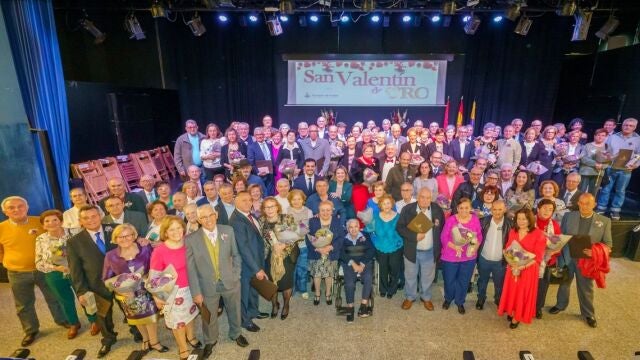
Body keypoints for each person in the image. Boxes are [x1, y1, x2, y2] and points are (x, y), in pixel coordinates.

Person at [0, 199, 68, 347]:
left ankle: (63, 320)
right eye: (11, 208)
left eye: (20, 206)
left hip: (44, 270)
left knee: (54, 297)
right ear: (5, 212)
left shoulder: (41, 221)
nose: (16, 210)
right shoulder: (1, 228)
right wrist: (9, 261)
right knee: (23, 304)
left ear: (27, 207)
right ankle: (31, 331)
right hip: (17, 273)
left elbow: (55, 238)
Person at [186, 205, 248, 358]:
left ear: (216, 215)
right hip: (206, 286)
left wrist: (236, 275)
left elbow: (236, 255)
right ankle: (210, 340)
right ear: (199, 220)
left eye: (210, 215)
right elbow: (191, 268)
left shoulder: (228, 231)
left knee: (234, 309)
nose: (208, 220)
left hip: (230, 281)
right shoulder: (191, 239)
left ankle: (236, 333)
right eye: (204, 217)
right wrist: (196, 292)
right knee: (209, 316)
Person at [549, 193, 612, 328]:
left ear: (594, 205)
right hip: (567, 257)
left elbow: (608, 244)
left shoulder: (604, 221)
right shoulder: (568, 216)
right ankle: (560, 305)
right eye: (581, 203)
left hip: (587, 262)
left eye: (587, 204)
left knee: (586, 288)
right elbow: (562, 236)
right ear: (578, 203)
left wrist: (594, 251)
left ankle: (588, 314)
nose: (583, 206)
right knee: (564, 284)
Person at [102, 224, 166, 353]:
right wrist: (120, 290)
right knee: (137, 319)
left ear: (134, 236)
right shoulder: (110, 256)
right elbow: (106, 279)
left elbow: (157, 264)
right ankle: (145, 339)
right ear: (115, 239)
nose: (124, 239)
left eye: (128, 235)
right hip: (127, 294)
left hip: (147, 290)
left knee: (151, 317)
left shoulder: (145, 248)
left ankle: (154, 342)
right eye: (120, 236)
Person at [66, 205, 118, 357]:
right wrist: (81, 291)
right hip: (95, 284)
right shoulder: (74, 242)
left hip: (121, 280)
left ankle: (138, 333)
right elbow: (75, 269)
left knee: (130, 309)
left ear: (100, 216)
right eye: (86, 218)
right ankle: (108, 339)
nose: (91, 220)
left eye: (94, 216)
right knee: (103, 315)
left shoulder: (115, 229)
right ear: (80, 221)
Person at [149, 216, 200, 360]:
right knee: (178, 322)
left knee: (190, 315)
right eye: (171, 229)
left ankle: (191, 337)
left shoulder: (189, 242)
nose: (176, 231)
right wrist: (156, 296)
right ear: (165, 232)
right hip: (173, 293)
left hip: (192, 288)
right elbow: (154, 277)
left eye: (179, 227)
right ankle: (183, 348)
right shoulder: (160, 251)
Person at [35, 210, 82, 339]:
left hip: (77, 271)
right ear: (43, 225)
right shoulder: (41, 239)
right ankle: (74, 323)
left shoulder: (74, 233)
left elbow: (84, 251)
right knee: (64, 299)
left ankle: (94, 320)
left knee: (84, 295)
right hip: (55, 274)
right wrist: (56, 268)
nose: (51, 223)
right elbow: (38, 262)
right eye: (47, 221)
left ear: (61, 221)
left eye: (55, 220)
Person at [498, 208, 546, 329]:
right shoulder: (513, 231)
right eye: (518, 218)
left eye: (524, 219)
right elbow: (509, 247)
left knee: (521, 293)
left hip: (528, 269)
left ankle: (517, 316)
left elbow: (538, 257)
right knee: (512, 290)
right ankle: (511, 310)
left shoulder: (538, 234)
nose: (521, 221)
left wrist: (523, 266)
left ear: (530, 219)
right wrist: (508, 257)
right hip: (513, 266)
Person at [397, 188, 444, 311]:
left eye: (428, 198)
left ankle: (426, 298)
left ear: (431, 198)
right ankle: (410, 297)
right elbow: (400, 228)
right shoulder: (408, 209)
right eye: (422, 197)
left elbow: (442, 227)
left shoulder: (437, 209)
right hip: (412, 251)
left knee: (427, 277)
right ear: (417, 197)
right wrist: (414, 236)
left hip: (430, 251)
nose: (425, 200)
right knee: (410, 276)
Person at [229, 192, 269, 332]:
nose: (248, 203)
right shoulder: (236, 221)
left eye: (250, 200)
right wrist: (257, 269)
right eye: (244, 200)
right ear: (236, 202)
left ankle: (253, 312)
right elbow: (243, 247)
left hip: (255, 260)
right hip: (246, 265)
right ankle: (245, 321)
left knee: (254, 289)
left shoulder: (250, 215)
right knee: (244, 294)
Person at [440, 198, 483, 314]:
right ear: (457, 208)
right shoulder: (451, 220)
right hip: (450, 255)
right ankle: (448, 299)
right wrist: (455, 247)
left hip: (468, 257)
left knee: (463, 280)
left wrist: (474, 248)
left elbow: (478, 236)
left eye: (467, 208)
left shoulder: (474, 220)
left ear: (470, 208)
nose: (464, 210)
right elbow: (443, 237)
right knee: (449, 280)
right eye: (461, 208)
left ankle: (460, 301)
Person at [259, 198, 300, 320]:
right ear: (263, 209)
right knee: (272, 282)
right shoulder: (261, 221)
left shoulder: (287, 218)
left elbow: (297, 234)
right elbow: (260, 239)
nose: (270, 209)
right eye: (267, 207)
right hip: (270, 255)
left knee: (286, 282)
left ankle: (286, 305)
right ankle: (274, 305)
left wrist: (284, 245)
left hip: (286, 254)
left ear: (277, 207)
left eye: (272, 206)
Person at [596, 118, 640, 220]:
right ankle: (601, 208)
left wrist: (635, 165)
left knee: (620, 191)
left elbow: (639, 155)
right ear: (622, 125)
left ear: (635, 127)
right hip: (611, 168)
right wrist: (606, 155)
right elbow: (605, 149)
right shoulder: (612, 137)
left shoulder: (638, 139)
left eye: (630, 125)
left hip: (626, 170)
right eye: (625, 125)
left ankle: (615, 210)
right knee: (606, 189)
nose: (627, 127)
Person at [476, 200, 511, 310]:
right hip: (484, 258)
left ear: (505, 209)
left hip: (500, 260)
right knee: (482, 281)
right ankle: (481, 298)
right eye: (494, 209)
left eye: (500, 209)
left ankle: (498, 299)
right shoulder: (483, 221)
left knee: (499, 283)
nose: (497, 212)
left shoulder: (510, 224)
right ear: (491, 210)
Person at [307, 201, 344, 306]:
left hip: (331, 253)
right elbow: (308, 237)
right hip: (316, 252)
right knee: (317, 275)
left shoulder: (337, 221)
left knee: (329, 275)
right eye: (322, 210)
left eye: (328, 210)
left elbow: (341, 237)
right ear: (319, 211)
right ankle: (317, 293)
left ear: (332, 211)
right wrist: (318, 249)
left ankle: (328, 293)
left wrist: (330, 247)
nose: (325, 212)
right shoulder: (313, 221)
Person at [366, 194, 403, 299]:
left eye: (388, 203)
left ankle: (392, 289)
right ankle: (383, 289)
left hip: (395, 247)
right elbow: (370, 231)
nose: (386, 205)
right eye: (384, 203)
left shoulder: (398, 216)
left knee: (394, 269)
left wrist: (399, 242)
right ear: (380, 205)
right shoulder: (375, 216)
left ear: (391, 204)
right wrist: (375, 242)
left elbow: (403, 231)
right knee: (383, 268)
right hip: (380, 247)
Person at [341, 219, 375, 322]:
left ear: (359, 227)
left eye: (356, 226)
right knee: (350, 283)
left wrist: (362, 264)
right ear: (347, 229)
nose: (353, 229)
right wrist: (353, 263)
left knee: (368, 278)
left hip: (364, 262)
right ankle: (350, 307)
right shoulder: (343, 238)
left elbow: (371, 250)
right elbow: (341, 253)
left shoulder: (365, 235)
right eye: (351, 227)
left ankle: (363, 305)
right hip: (349, 263)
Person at [534, 199, 561, 319]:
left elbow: (559, 244)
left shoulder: (554, 225)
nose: (547, 211)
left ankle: (538, 308)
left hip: (547, 260)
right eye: (545, 208)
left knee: (542, 286)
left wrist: (553, 252)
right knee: (527, 285)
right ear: (538, 209)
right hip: (530, 259)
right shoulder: (529, 220)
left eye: (550, 210)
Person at [579, 128, 610, 195]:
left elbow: (609, 161)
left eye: (603, 135)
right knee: (581, 191)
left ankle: (590, 205)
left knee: (593, 193)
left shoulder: (607, 147)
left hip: (598, 173)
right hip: (586, 172)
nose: (600, 137)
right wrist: (595, 164)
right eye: (598, 135)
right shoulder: (587, 145)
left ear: (606, 137)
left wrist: (602, 166)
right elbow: (583, 158)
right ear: (594, 136)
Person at [247, 127, 275, 195]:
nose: (259, 136)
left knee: (271, 191)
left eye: (261, 134)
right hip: (260, 175)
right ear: (254, 136)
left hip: (270, 173)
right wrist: (258, 171)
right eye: (257, 134)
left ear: (264, 135)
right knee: (262, 192)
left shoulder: (269, 144)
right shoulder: (251, 146)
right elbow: (251, 162)